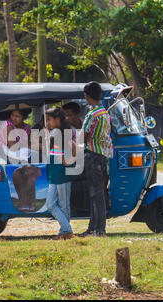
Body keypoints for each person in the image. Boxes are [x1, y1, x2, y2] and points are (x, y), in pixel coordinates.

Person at [79, 81, 114, 237]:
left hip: (92, 155)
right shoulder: (105, 113)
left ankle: (98, 230)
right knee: (99, 193)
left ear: (87, 96)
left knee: (95, 194)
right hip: (103, 156)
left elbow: (83, 137)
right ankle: (94, 229)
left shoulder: (91, 115)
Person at [45, 108, 77, 240]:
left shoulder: (64, 133)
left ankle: (64, 233)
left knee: (64, 205)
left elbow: (75, 149)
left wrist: (70, 161)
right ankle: (66, 230)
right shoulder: (54, 132)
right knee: (50, 204)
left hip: (62, 174)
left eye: (49, 119)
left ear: (57, 120)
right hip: (54, 173)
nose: (48, 122)